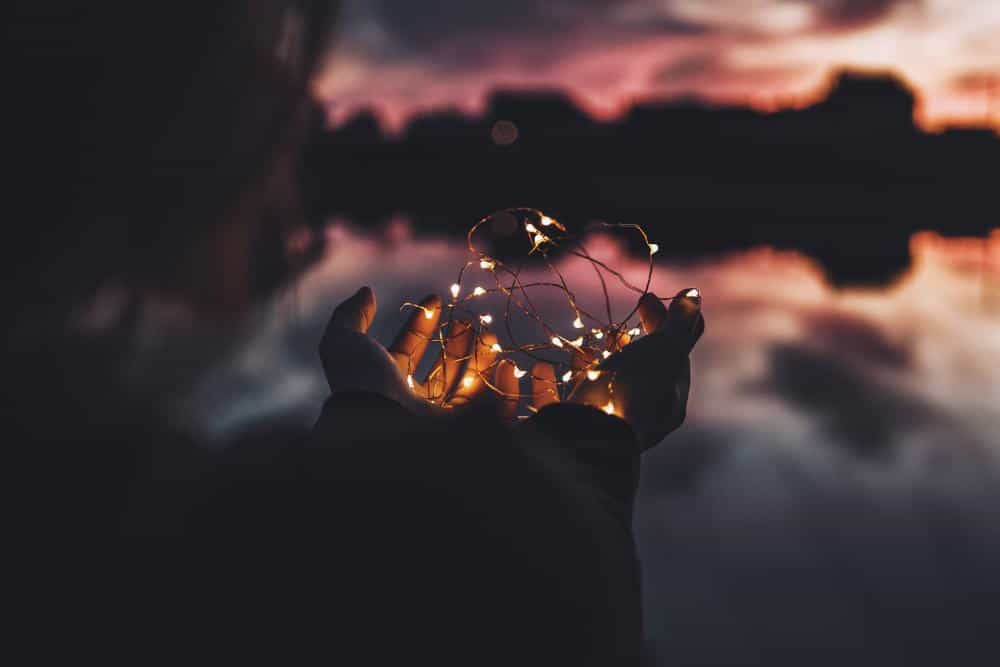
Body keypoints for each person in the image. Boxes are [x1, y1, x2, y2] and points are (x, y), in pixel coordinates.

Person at [9, 2, 704, 664]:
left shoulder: (60, 486)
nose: (294, 100)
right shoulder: (120, 510)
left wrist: (371, 428)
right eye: (256, 49)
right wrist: (592, 462)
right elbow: (544, 628)